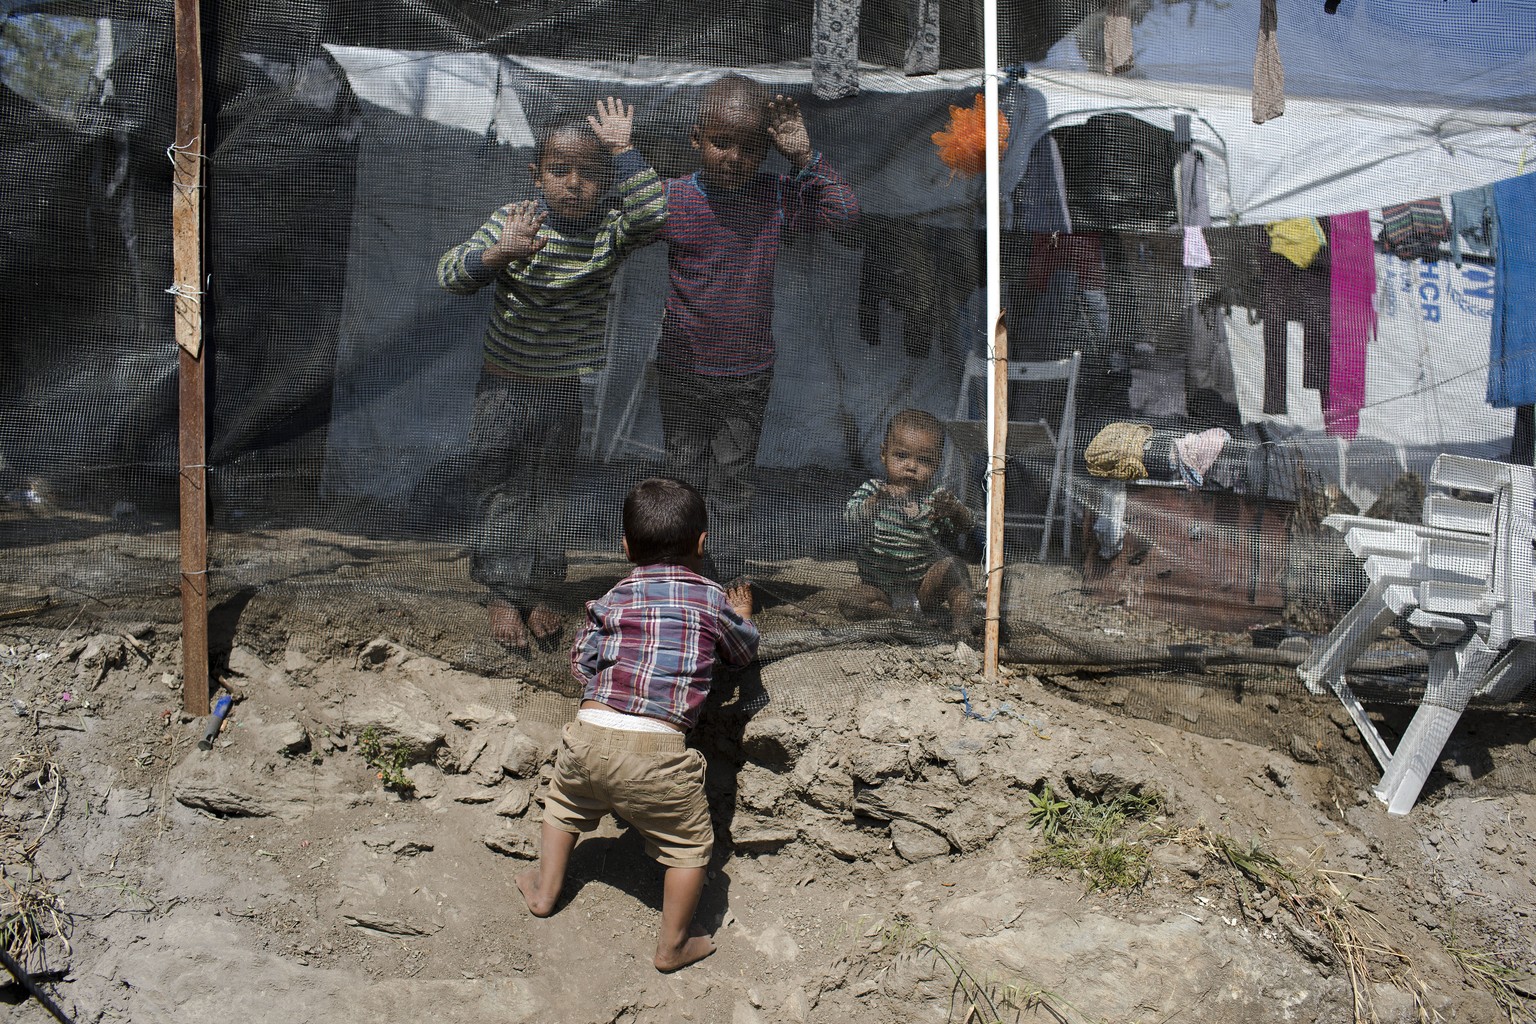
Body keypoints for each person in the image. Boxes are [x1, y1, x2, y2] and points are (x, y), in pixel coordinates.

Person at [437, 97, 666, 651]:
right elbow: (448, 274)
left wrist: (626, 151)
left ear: (606, 180)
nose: (574, 185)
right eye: (559, 171)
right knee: (499, 488)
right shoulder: (515, 222)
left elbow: (657, 216)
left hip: (564, 390)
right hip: (505, 388)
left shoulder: (611, 230)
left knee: (549, 492)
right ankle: (499, 588)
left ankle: (539, 587)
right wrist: (497, 255)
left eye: (590, 173)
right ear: (536, 176)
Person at [517, 477, 758, 972]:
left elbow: (581, 662)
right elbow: (741, 651)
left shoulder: (612, 598)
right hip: (659, 750)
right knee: (690, 846)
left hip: (588, 733)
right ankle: (673, 945)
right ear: (702, 544)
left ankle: (544, 891)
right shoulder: (711, 600)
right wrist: (743, 616)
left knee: (562, 806)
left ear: (625, 547)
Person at [656, 73, 859, 584]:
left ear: (765, 152)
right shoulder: (676, 198)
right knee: (683, 474)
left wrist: (804, 158)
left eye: (749, 148)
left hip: (746, 371)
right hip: (683, 366)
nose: (733, 158)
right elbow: (624, 216)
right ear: (697, 140)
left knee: (734, 479)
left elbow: (845, 213)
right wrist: (625, 158)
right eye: (721, 143)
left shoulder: (774, 197)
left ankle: (728, 576)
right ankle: (679, 573)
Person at [842, 409, 976, 633]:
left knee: (955, 567)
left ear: (936, 464)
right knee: (851, 602)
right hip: (878, 590)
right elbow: (851, 518)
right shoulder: (873, 490)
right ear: (884, 454)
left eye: (924, 460)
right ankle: (899, 618)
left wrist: (954, 510)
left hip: (923, 589)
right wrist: (876, 502)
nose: (911, 467)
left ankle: (962, 627)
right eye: (901, 456)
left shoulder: (936, 499)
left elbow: (968, 525)